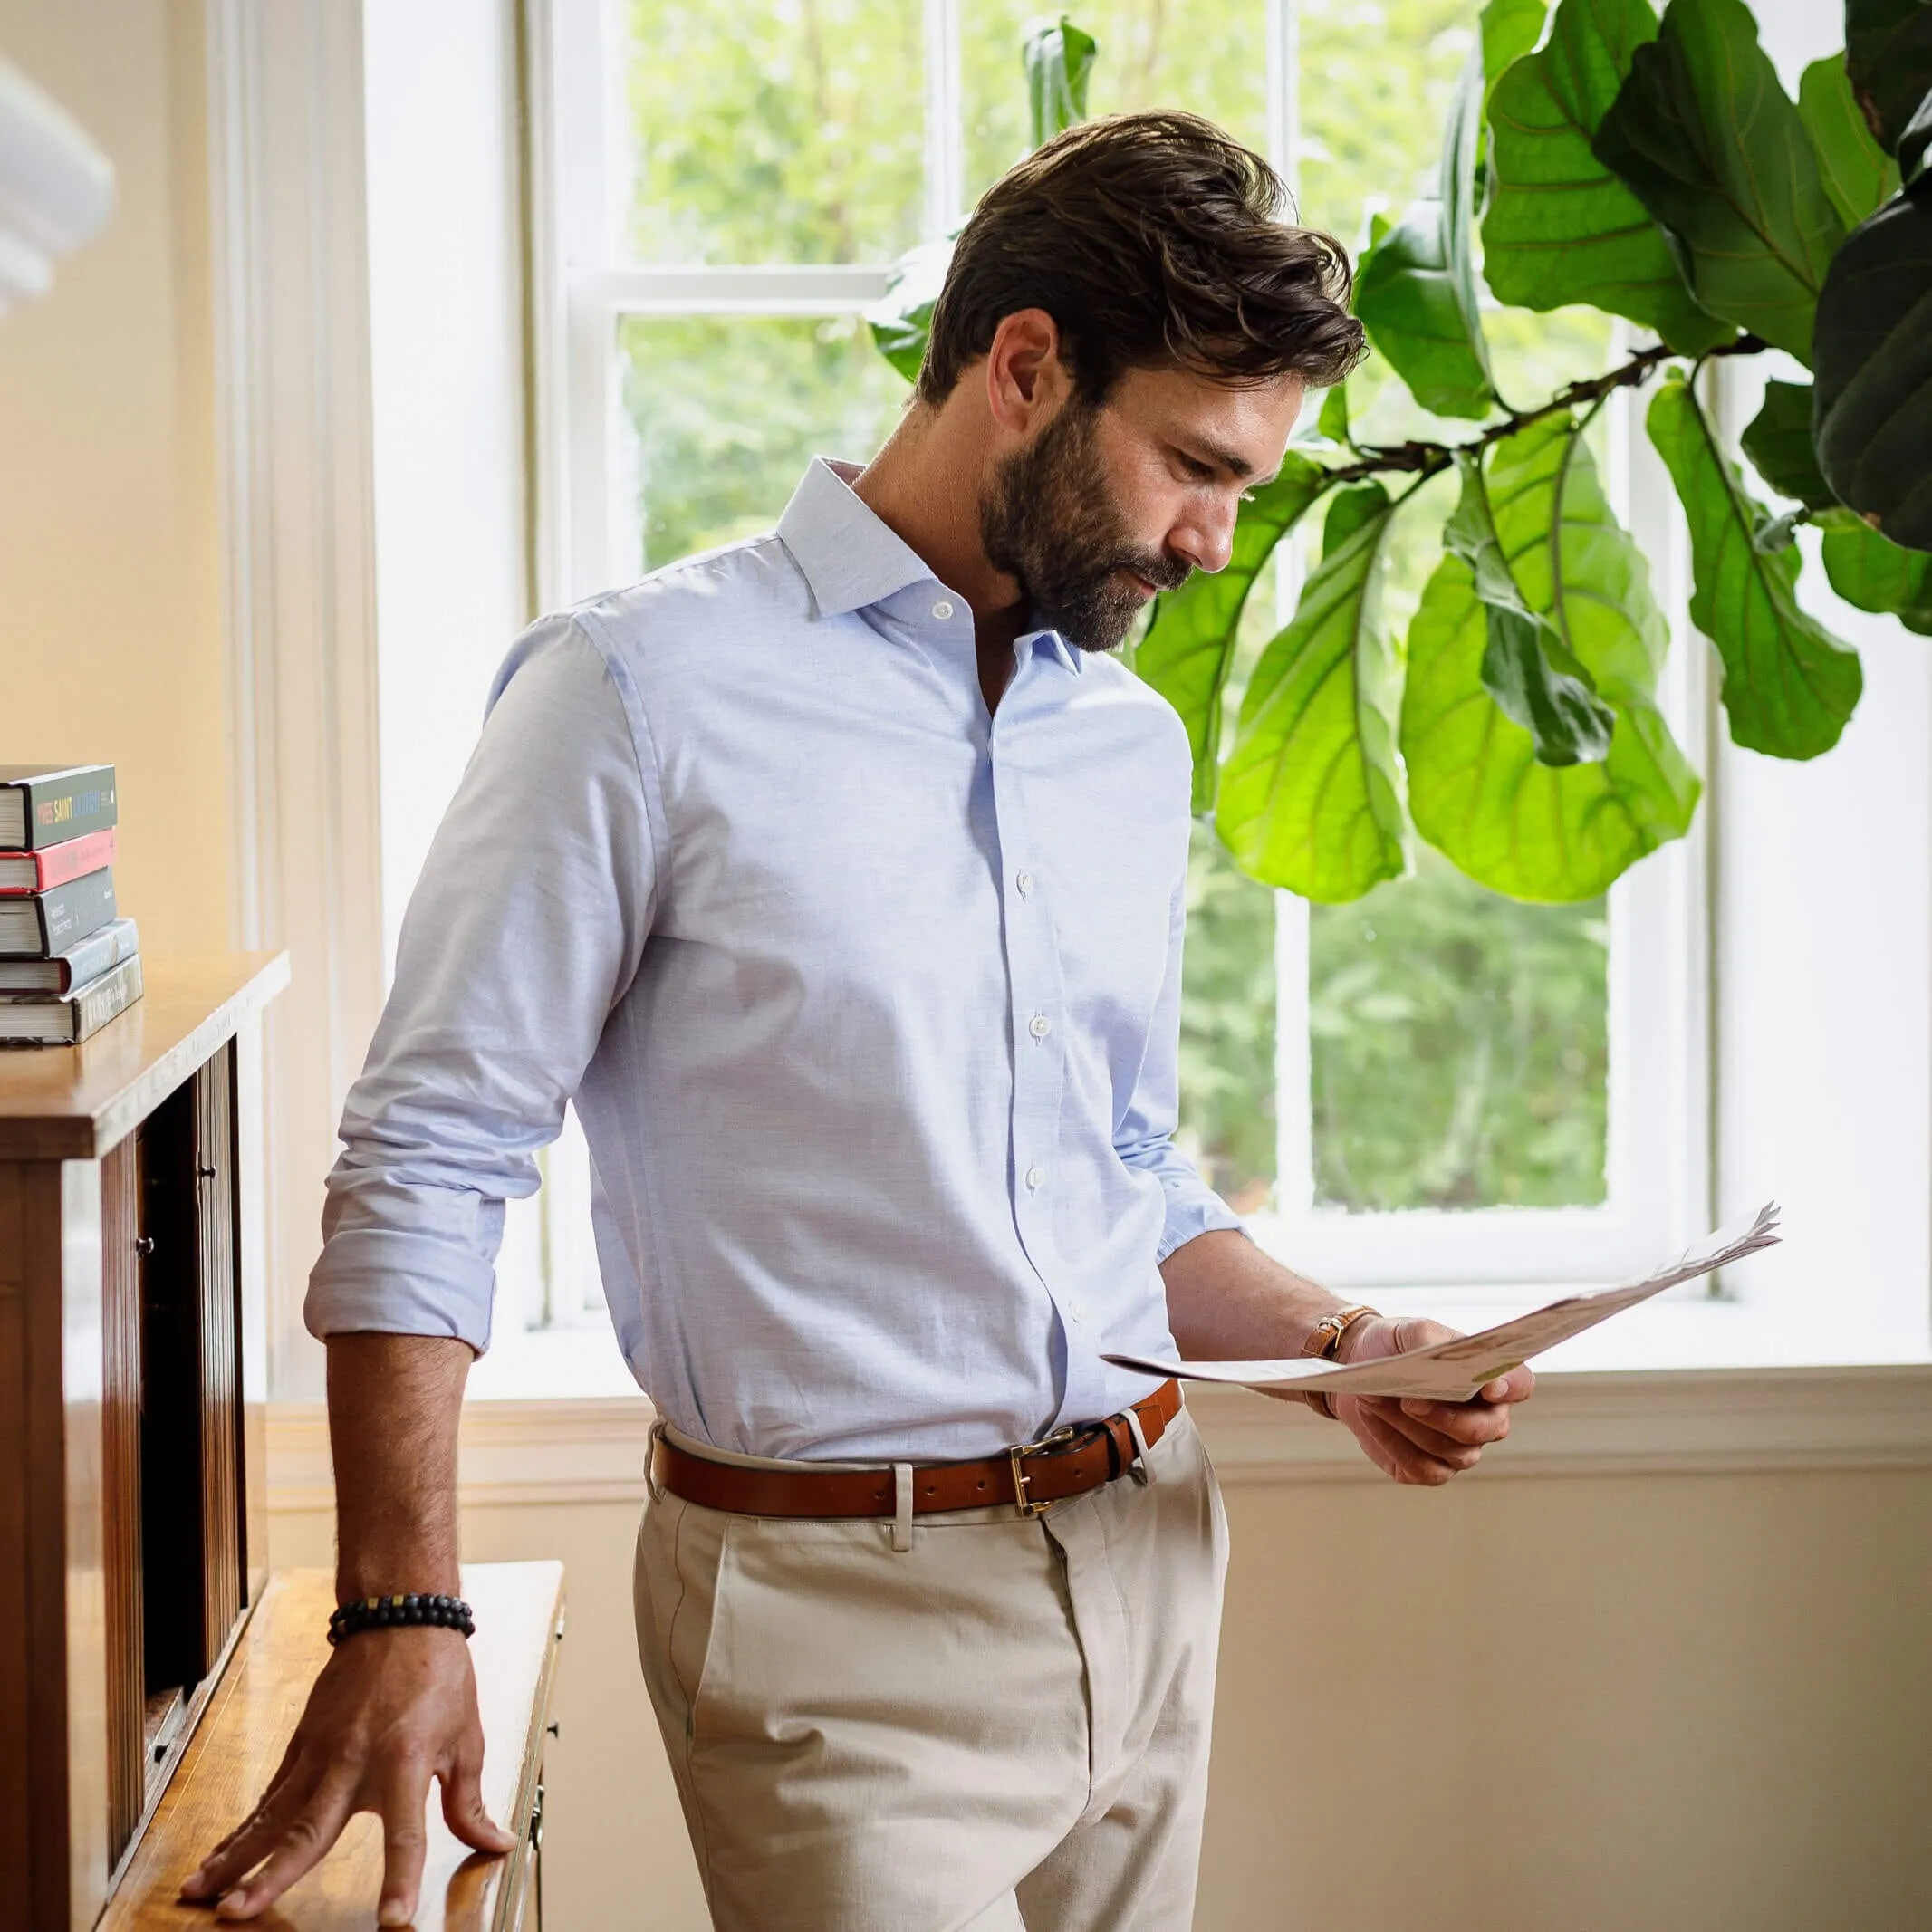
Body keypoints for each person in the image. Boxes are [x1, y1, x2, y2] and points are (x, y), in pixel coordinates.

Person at [182, 109, 1534, 1931]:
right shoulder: (634, 691)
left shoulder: (1123, 743)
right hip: (832, 1621)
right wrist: (403, 1608)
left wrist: (1348, 1338)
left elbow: (1115, 1185)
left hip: (1150, 1556)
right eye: (1191, 467)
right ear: (1026, 367)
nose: (1213, 541)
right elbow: (428, 1154)